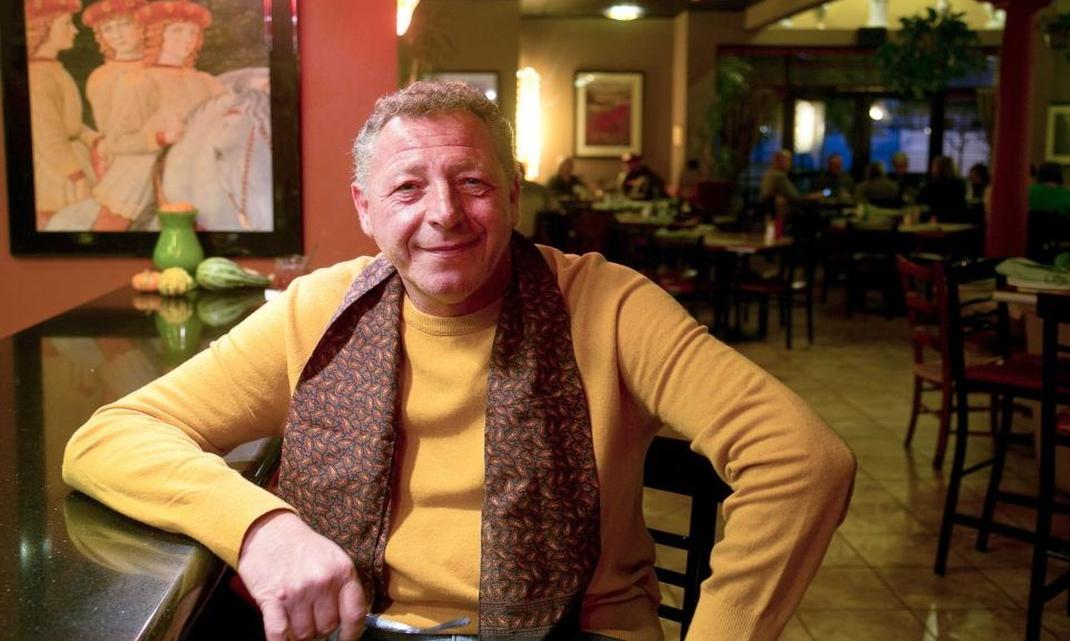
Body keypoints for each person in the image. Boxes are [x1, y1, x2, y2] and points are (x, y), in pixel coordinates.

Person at [63, 82, 855, 641]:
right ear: (365, 209)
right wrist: (264, 529)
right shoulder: (315, 310)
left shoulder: (610, 305)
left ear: (512, 194)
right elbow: (109, 437)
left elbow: (802, 461)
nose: (443, 212)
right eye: (407, 187)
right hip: (357, 626)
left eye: (472, 182)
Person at [91, 0, 226, 231]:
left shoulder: (206, 82)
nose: (188, 39)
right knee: (114, 225)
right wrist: (161, 137)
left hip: (198, 169)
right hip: (143, 172)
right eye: (177, 31)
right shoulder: (139, 81)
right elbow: (117, 140)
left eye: (193, 32)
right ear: (156, 33)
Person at [24, 0, 100, 229]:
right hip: (58, 172)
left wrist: (95, 139)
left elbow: (70, 124)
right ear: (43, 27)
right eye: (67, 24)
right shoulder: (36, 77)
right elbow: (49, 138)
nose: (75, 30)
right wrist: (78, 179)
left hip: (74, 160)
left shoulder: (54, 68)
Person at [82, 0, 147, 135]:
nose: (117, 35)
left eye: (124, 25)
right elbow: (109, 130)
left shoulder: (161, 65)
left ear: (141, 25)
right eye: (107, 29)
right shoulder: (101, 77)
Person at [916, 155, 967, 222]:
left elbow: (920, 202)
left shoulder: (932, 186)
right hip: (959, 221)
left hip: (938, 221)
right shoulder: (960, 184)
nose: (931, 170)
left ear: (940, 169)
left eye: (933, 167)